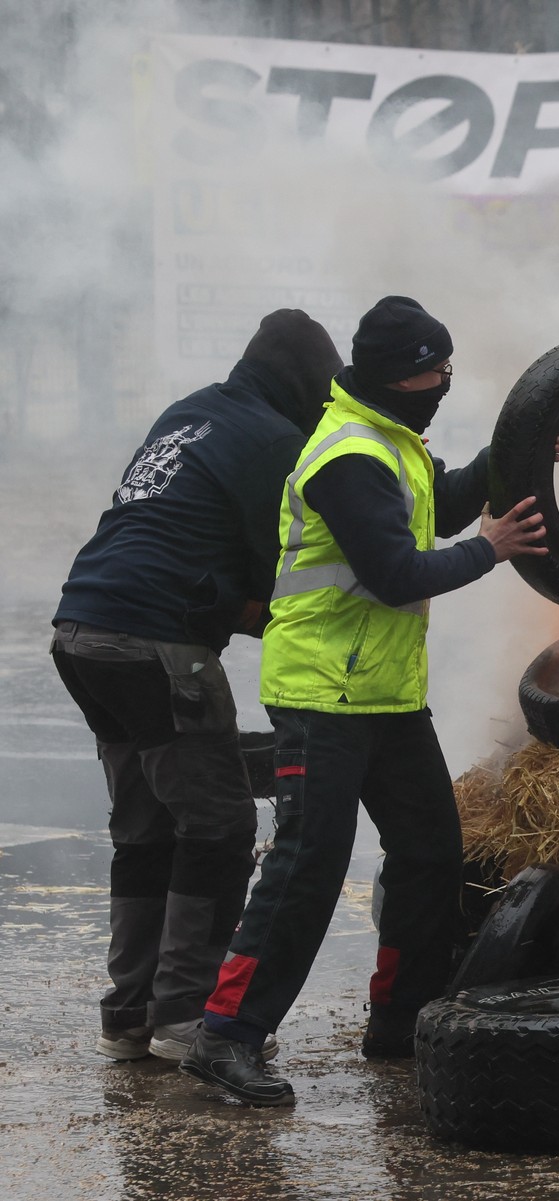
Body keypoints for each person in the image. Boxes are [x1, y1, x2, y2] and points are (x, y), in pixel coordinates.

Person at [180, 295, 555, 1107]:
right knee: (308, 866)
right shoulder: (347, 453)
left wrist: (513, 455)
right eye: (434, 369)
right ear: (396, 374)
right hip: (324, 693)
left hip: (383, 695)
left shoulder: (391, 438)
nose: (445, 381)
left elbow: (446, 502)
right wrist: (489, 551)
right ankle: (225, 1035)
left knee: (430, 851)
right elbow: (395, 574)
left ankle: (399, 1020)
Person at [51, 310, 343, 1065]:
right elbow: (277, 575)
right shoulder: (278, 443)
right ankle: (184, 1015)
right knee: (217, 825)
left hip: (81, 630)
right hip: (153, 644)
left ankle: (127, 1016)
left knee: (147, 826)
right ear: (306, 383)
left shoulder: (191, 412)